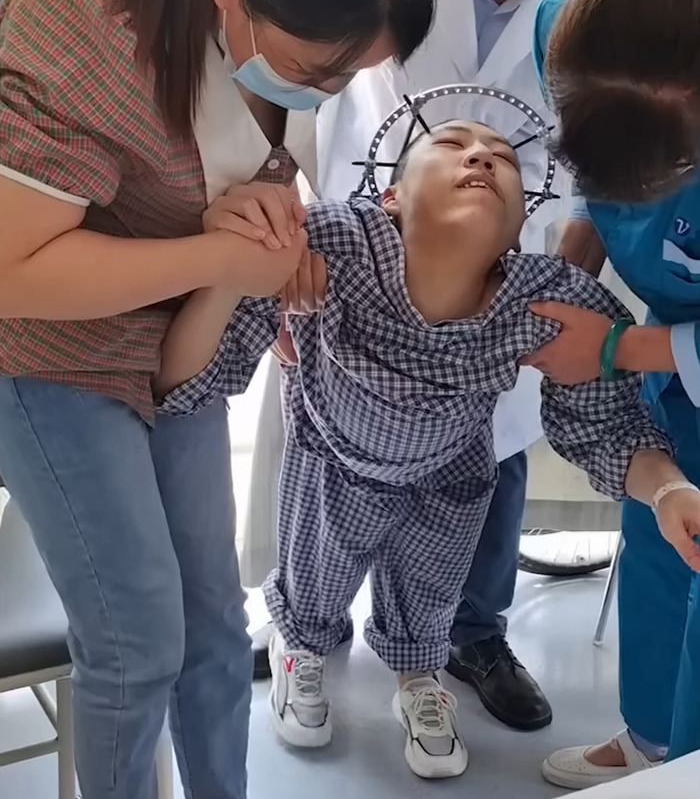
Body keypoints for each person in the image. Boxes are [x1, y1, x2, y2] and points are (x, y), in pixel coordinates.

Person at [0, 0, 441, 797]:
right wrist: (216, 262)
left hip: (180, 345)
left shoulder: (301, 20)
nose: (329, 91)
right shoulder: (83, 23)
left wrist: (273, 234)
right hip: (50, 347)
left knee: (213, 622)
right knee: (137, 643)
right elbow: (12, 271)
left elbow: (248, 164)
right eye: (320, 75)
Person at [156, 117, 700, 780]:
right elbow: (194, 372)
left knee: (431, 591)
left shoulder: (545, 300)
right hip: (334, 456)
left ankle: (420, 676)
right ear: (391, 197)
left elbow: (607, 426)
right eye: (452, 145)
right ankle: (300, 646)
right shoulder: (332, 245)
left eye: (502, 159)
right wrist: (252, 268)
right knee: (315, 577)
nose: (480, 156)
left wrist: (669, 490)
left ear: (518, 225)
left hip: (450, 473)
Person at [248, 0, 602, 732]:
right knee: (325, 473)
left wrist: (563, 278)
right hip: (358, 257)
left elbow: (593, 156)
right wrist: (274, 228)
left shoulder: (586, 0)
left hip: (497, 281)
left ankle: (468, 636)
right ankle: (308, 629)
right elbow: (286, 57)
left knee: (481, 466)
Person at [525, 0, 700, 789]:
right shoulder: (567, 23)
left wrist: (615, 345)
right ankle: (653, 741)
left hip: (669, 338)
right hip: (671, 355)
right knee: (664, 526)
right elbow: (588, 184)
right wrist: (573, 267)